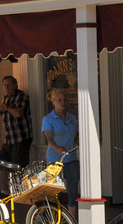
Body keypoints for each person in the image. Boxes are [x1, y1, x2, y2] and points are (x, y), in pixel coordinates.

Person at [42, 88, 78, 219]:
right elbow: (49, 139)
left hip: (71, 158)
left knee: (73, 190)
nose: (63, 102)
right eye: (59, 100)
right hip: (54, 159)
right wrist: (58, 148)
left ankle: (72, 219)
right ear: (53, 101)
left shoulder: (72, 118)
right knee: (53, 191)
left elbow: (77, 137)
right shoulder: (48, 119)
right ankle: (51, 218)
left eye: (64, 100)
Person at [0, 76, 32, 171]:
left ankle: (19, 184)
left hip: (21, 138)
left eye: (9, 85)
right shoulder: (5, 98)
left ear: (15, 85)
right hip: (9, 139)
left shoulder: (22, 96)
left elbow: (19, 113)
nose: (6, 87)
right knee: (1, 162)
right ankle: (11, 182)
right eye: (4, 85)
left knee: (19, 166)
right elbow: (3, 113)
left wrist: (7, 107)